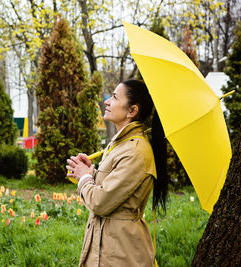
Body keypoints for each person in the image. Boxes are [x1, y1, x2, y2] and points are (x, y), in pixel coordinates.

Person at [66, 79, 168, 267]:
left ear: (132, 111)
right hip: (106, 246)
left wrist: (85, 178)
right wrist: (91, 173)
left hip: (121, 253)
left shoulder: (135, 151)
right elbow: (114, 189)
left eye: (114, 97)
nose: (107, 101)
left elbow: (101, 202)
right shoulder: (120, 145)